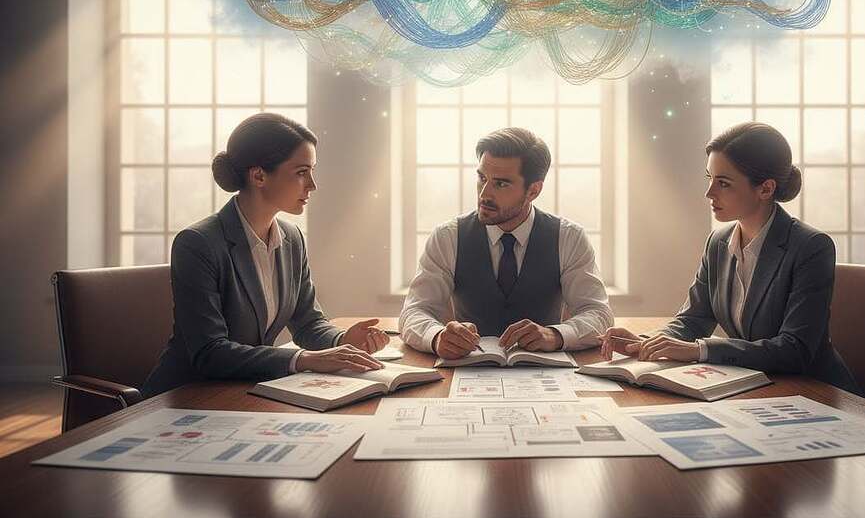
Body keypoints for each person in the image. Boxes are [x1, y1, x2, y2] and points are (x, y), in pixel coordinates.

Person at [601, 122, 860, 394]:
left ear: (765, 189)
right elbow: (694, 318)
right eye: (709, 178)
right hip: (760, 386)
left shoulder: (811, 247)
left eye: (723, 183)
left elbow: (794, 349)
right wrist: (648, 342)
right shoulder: (718, 241)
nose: (709, 193)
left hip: (814, 390)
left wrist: (700, 350)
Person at [142, 113, 388, 397]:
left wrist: (343, 339)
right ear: (258, 175)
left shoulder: (292, 239)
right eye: (301, 172)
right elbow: (210, 352)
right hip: (185, 396)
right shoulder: (198, 244)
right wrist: (302, 359)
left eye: (312, 171)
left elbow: (307, 321)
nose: (312, 185)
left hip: (242, 391)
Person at [399, 127, 613, 359]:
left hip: (547, 372)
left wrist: (555, 335)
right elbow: (414, 311)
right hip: (467, 370)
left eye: (500, 184)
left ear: (533, 190)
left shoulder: (569, 238)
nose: (484, 194)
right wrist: (437, 336)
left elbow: (598, 313)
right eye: (482, 178)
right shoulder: (447, 237)